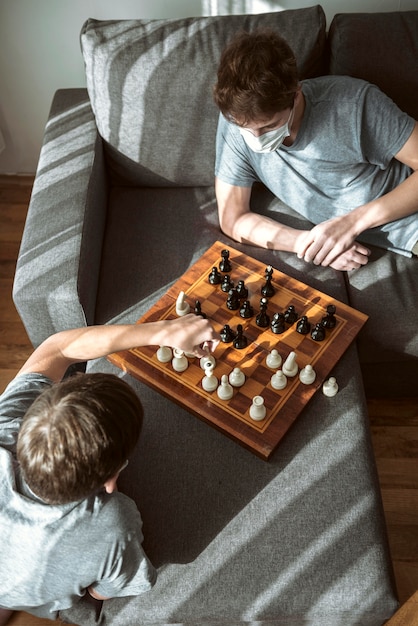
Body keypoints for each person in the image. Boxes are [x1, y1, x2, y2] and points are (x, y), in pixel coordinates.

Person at [0, 315, 219, 624]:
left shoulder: (5, 424)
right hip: (39, 596)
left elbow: (57, 348)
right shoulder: (113, 523)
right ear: (111, 478)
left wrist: (164, 331)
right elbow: (103, 591)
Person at [213, 29, 418, 271]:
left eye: (269, 126)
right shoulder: (236, 120)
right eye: (246, 129)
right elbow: (232, 218)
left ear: (296, 96)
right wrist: (309, 244)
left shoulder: (354, 104)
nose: (255, 139)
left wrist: (352, 223)